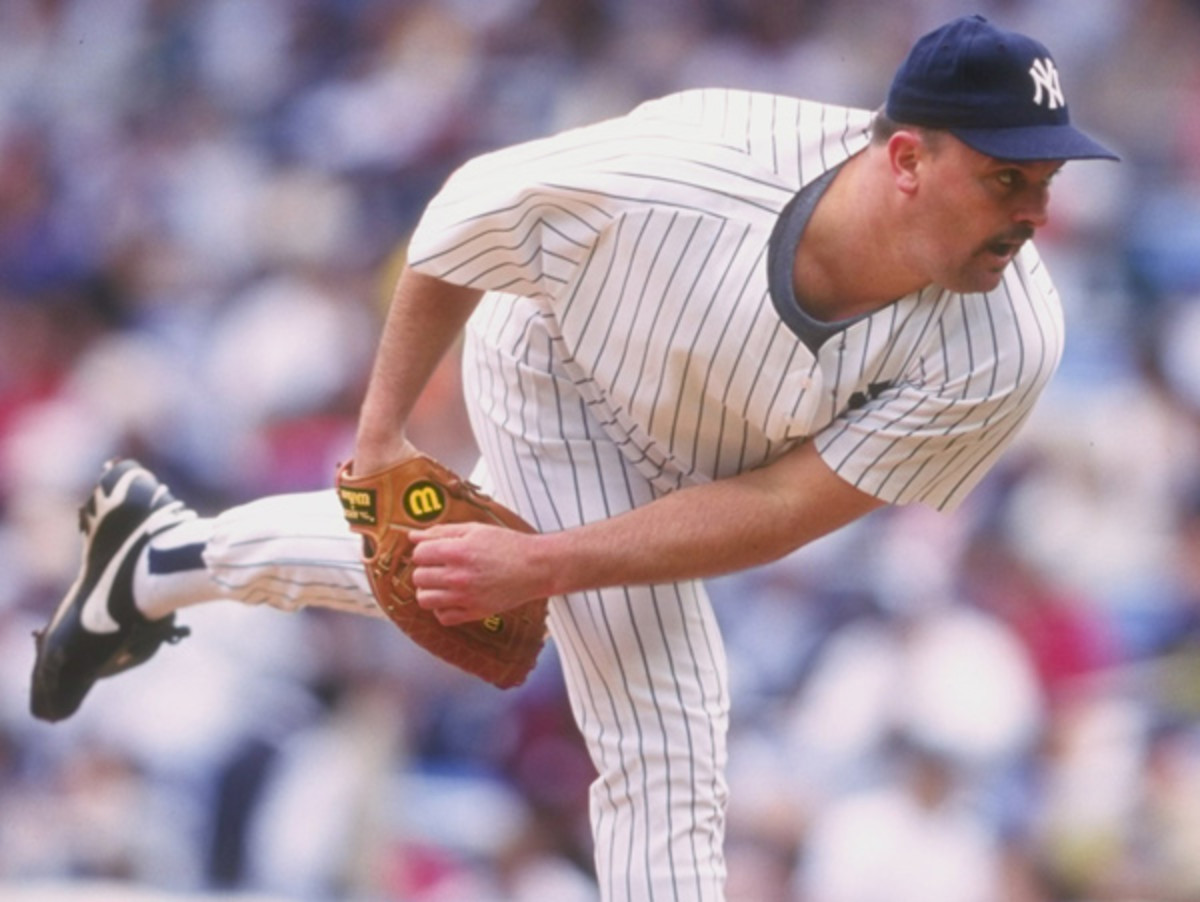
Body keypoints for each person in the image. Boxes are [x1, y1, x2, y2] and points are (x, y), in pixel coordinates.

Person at [30, 15, 1117, 901]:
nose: (1035, 210)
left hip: (708, 443)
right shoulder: (696, 168)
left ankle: (158, 557)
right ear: (907, 158)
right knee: (668, 725)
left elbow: (784, 506)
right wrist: (381, 441)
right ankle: (162, 558)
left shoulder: (1009, 335)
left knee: (473, 580)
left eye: (1045, 180)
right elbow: (462, 214)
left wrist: (542, 561)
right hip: (562, 365)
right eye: (1008, 178)